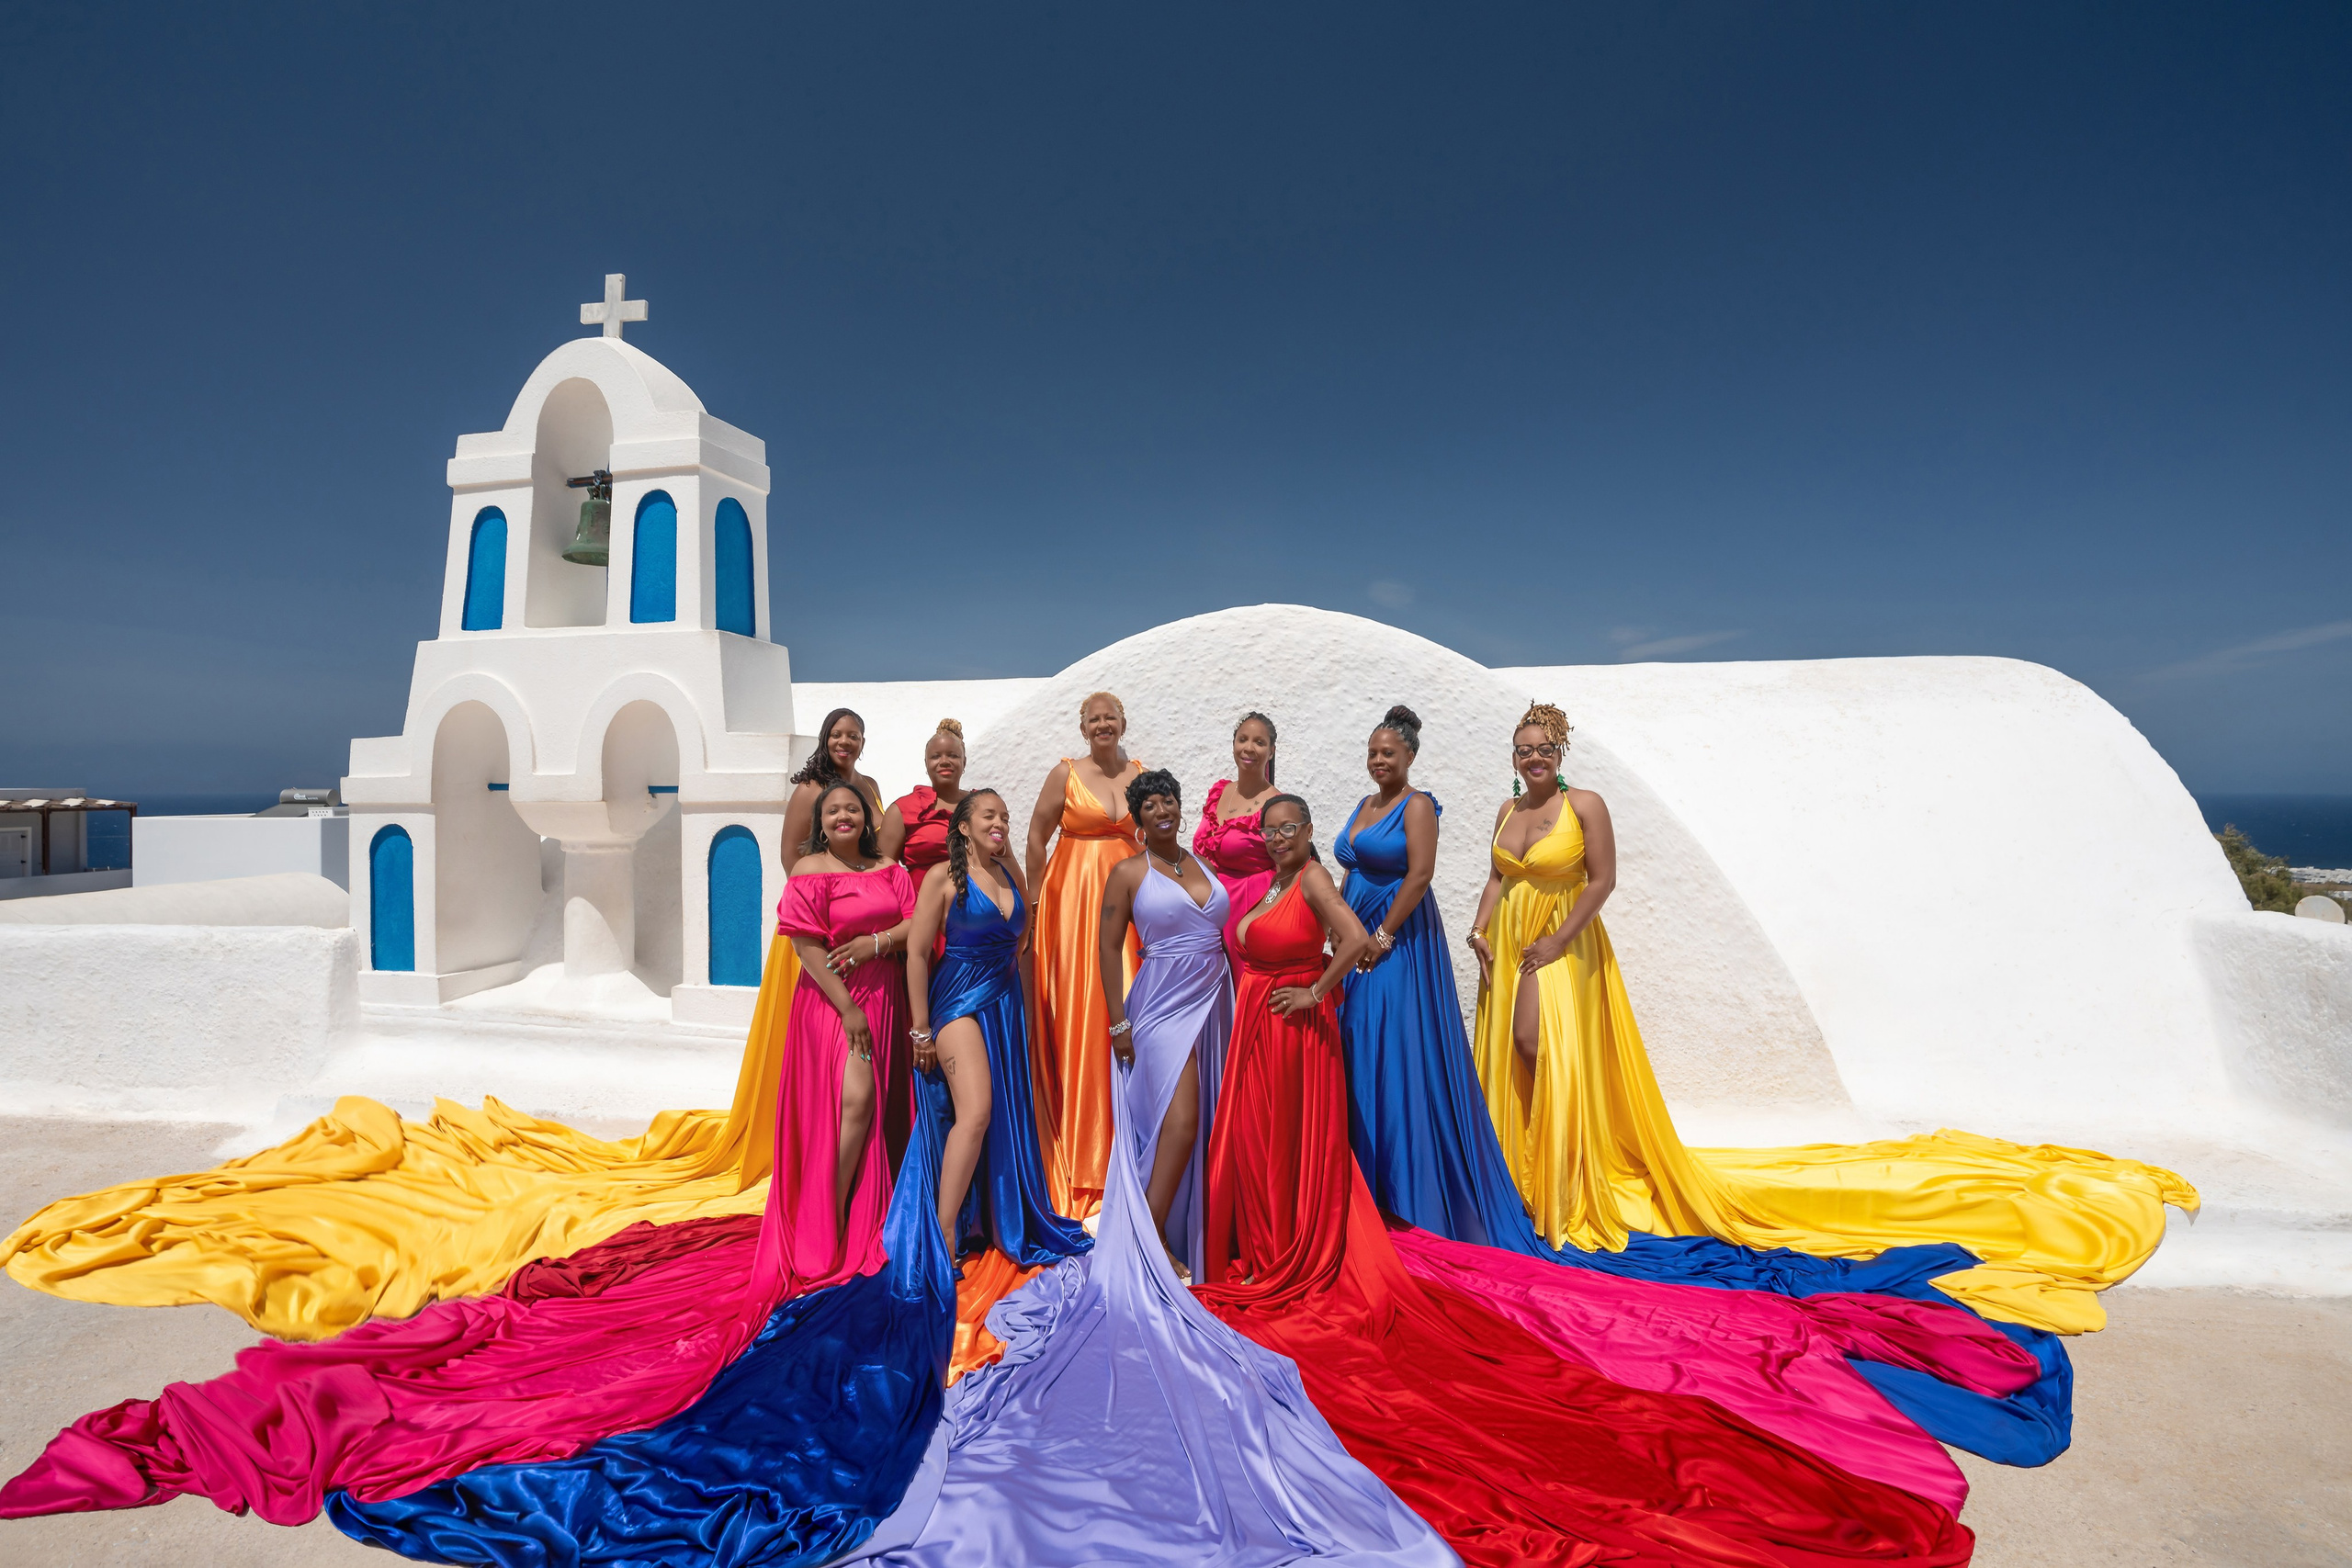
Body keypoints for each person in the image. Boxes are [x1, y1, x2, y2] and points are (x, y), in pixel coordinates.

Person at [1192, 794, 1969, 1565]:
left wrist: (1331, 981)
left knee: (1398, 1111)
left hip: (1395, 988)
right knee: (1270, 1145)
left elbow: (1395, 912)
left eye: (1289, 828)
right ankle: (1273, 1235)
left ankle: (1432, 1209)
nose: (1279, 837)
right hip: (1285, 1019)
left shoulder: (1353, 859)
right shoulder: (1307, 855)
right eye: (1272, 830)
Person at [1467, 702, 2196, 1334]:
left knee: (1542, 1047)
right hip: (1508, 943)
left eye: (1543, 747)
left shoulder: (1584, 803)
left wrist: (1560, 938)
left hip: (1564, 942)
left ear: (1561, 753)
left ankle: (1562, 1181)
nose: (1532, 757)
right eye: (1522, 748)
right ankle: (1518, 1173)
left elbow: (1605, 879)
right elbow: (1499, 876)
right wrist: (1479, 928)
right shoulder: (1508, 811)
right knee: (1510, 1057)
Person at [904, 788, 1090, 1266]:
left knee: (1000, 1117)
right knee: (978, 1112)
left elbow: (1021, 942)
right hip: (956, 1003)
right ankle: (943, 1234)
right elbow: (918, 954)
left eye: (1005, 816)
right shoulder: (941, 878)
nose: (1000, 823)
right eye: (989, 815)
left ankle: (989, 1221)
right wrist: (921, 1028)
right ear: (964, 827)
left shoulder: (1011, 872)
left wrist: (1027, 1014)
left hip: (1004, 1004)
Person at [1330, 704, 1494, 1236]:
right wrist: (1335, 924)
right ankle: (1364, 1180)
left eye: (1388, 753)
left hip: (1398, 939)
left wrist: (1380, 936)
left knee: (1393, 1046)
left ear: (1410, 756)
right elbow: (1348, 868)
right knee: (1356, 1041)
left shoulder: (1417, 805)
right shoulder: (1364, 804)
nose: (1378, 760)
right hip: (1356, 936)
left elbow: (1420, 875)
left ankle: (1405, 1189)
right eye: (1373, 753)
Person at [1097, 768, 1227, 1274]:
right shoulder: (1129, 872)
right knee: (1181, 1121)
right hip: (1159, 1005)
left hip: (1215, 1000)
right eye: (1150, 805)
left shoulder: (1206, 863)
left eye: (1169, 800)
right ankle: (1149, 1235)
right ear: (1139, 819)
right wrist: (1116, 1021)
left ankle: (1189, 1229)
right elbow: (1108, 948)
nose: (1163, 810)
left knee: (1211, 1122)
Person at [1022, 691, 1142, 1214]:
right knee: (1079, 1013)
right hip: (1071, 904)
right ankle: (1081, 1149)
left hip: (1129, 902)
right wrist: (1033, 899)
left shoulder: (1140, 774)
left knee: (1127, 1008)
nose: (1102, 725)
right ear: (1083, 726)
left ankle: (1126, 1146)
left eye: (1110, 717)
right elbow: (1035, 835)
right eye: (1093, 719)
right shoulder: (1064, 773)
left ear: (1122, 723)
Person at [782, 782, 916, 1240]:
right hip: (832, 999)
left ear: (865, 818)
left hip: (885, 993)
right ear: (819, 822)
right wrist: (848, 1009)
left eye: (853, 809)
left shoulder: (889, 869)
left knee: (871, 1105)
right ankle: (827, 1219)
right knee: (855, 1101)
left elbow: (915, 923)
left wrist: (874, 943)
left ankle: (858, 1207)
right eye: (833, 810)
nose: (844, 816)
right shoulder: (808, 869)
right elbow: (806, 947)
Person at [1191, 710, 1279, 908]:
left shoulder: (1277, 806)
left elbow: (1287, 869)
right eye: (1243, 739)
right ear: (1233, 746)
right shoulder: (1219, 792)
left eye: (1259, 742)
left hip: (1250, 908)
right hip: (1208, 909)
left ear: (1271, 751)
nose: (1249, 748)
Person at [877, 718, 969, 886]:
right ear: (926, 764)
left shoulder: (982, 806)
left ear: (964, 762)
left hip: (981, 908)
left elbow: (1005, 860)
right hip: (921, 909)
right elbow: (882, 876)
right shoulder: (902, 810)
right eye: (935, 756)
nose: (944, 761)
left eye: (953, 755)